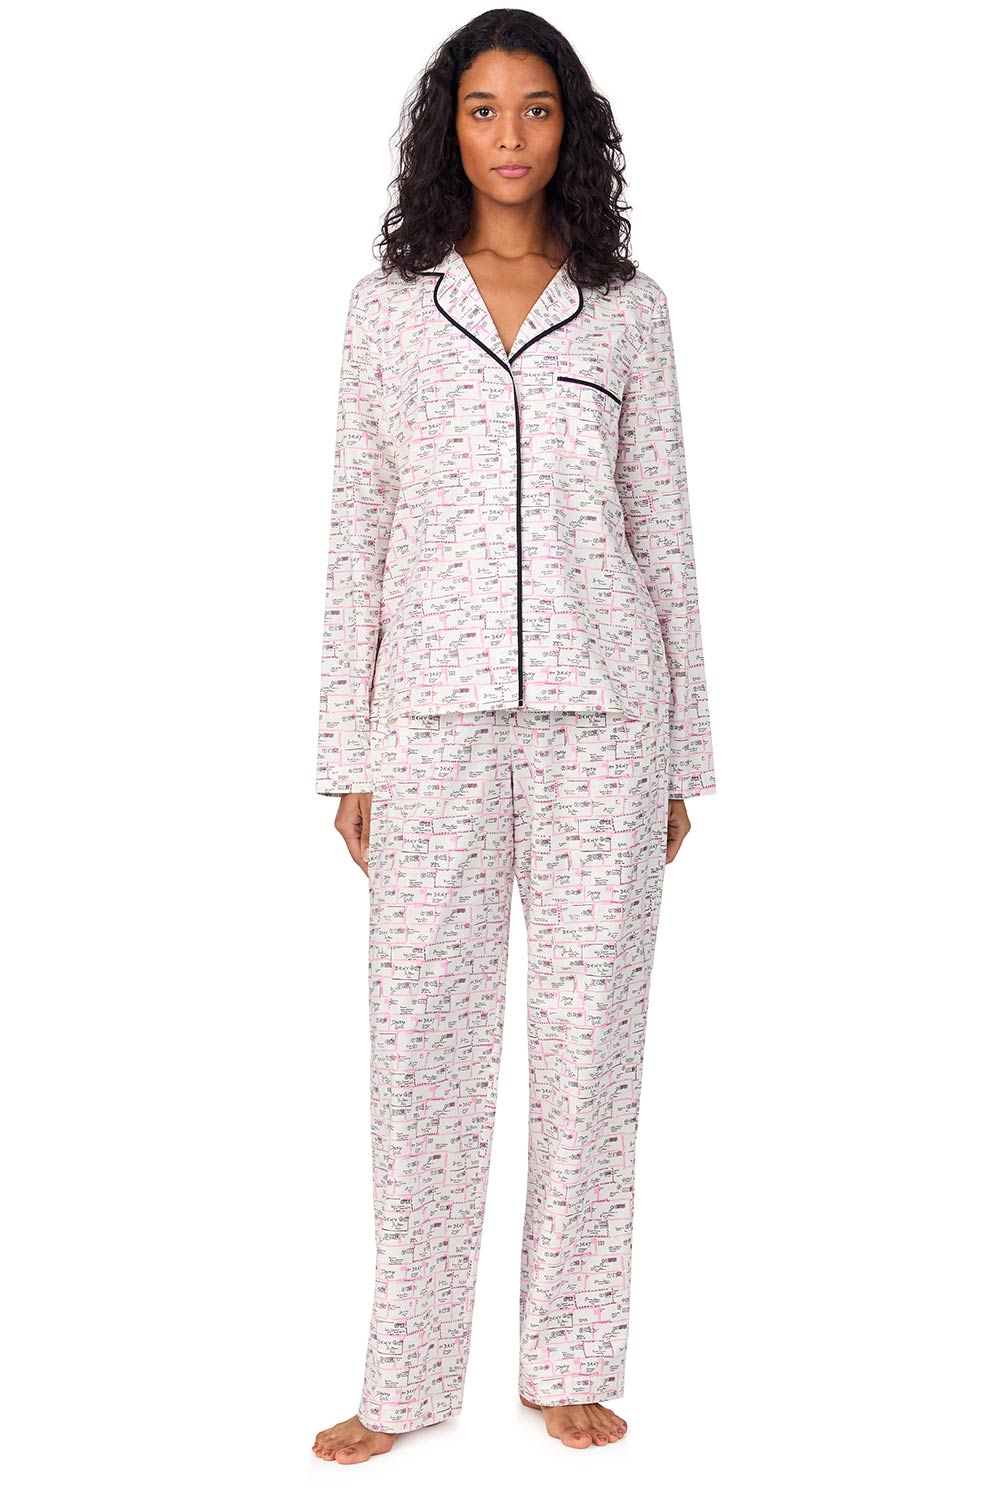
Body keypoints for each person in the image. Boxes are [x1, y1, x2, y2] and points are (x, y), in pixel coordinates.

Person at [312, 10, 717, 1464]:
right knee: (421, 1046)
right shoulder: (387, 307)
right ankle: (408, 1378)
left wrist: (684, 757)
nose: (508, 135)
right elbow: (358, 529)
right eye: (482, 108)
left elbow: (662, 528)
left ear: (571, 127)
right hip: (429, 717)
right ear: (449, 127)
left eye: (535, 108)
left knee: (592, 1046)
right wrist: (347, 753)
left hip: (606, 721)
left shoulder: (628, 308)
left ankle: (570, 1360)